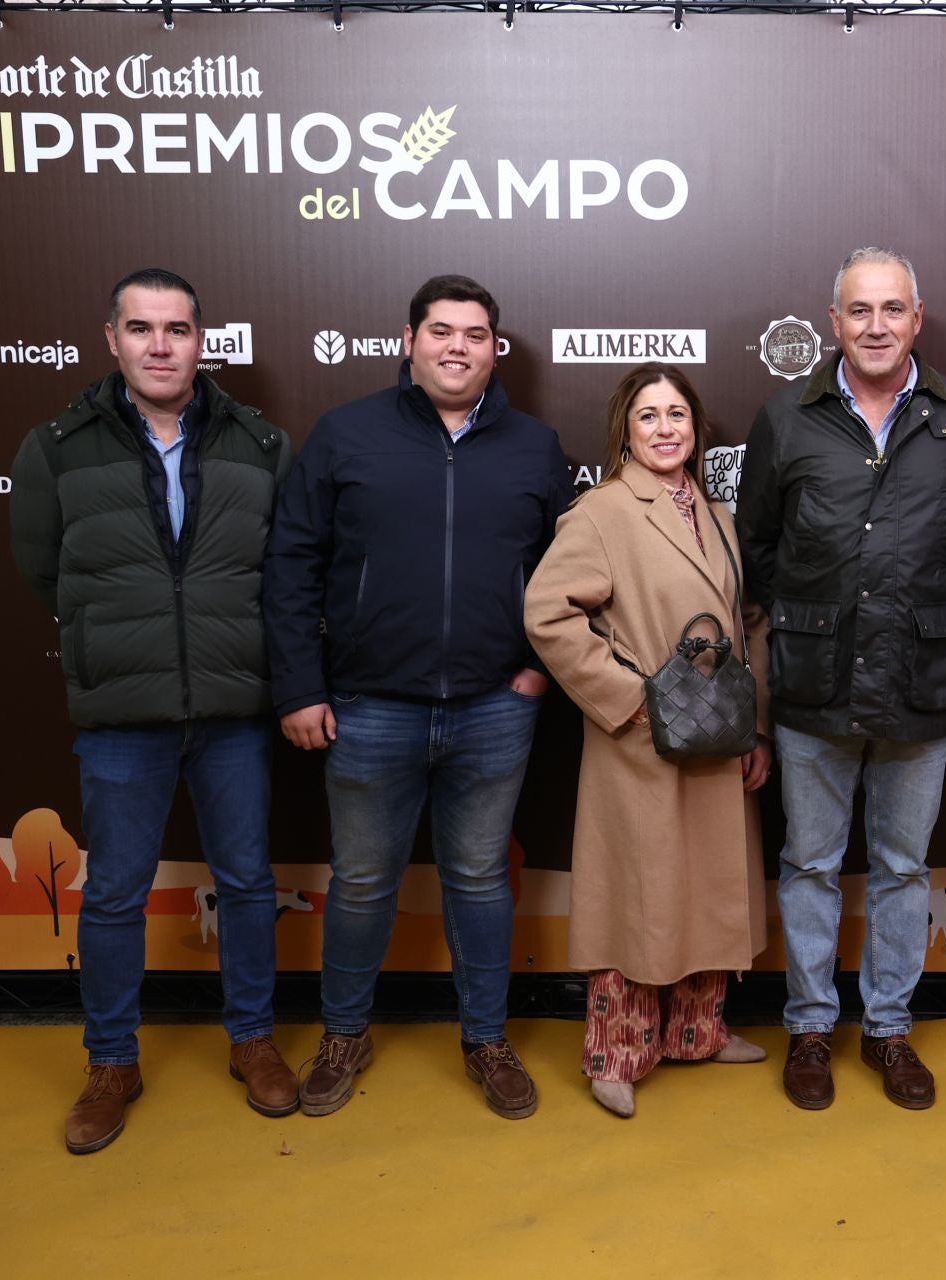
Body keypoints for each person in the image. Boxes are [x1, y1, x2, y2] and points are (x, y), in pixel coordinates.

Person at [264, 274, 572, 1120]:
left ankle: (486, 1039)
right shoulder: (345, 435)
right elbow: (291, 565)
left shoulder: (536, 446)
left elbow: (572, 573)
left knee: (479, 880)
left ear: (494, 348)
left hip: (494, 707)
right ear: (409, 340)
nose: (457, 347)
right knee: (362, 883)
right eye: (441, 331)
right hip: (367, 708)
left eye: (475, 334)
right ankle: (343, 1035)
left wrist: (539, 667)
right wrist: (299, 685)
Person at [9, 268, 297, 1153]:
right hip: (121, 713)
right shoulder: (56, 447)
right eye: (142, 329)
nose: (160, 345)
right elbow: (42, 571)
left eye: (176, 329)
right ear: (112, 340)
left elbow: (287, 573)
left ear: (202, 340)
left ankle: (251, 1040)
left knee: (247, 883)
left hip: (233, 707)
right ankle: (111, 1062)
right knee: (114, 896)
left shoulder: (259, 443)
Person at [735, 247, 946, 1111]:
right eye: (860, 311)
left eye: (893, 309)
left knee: (900, 866)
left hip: (923, 685)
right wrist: (810, 619)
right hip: (812, 685)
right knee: (808, 864)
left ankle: (888, 1031)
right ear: (834, 322)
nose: (877, 326)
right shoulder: (785, 417)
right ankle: (810, 1026)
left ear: (917, 319)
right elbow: (760, 549)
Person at [524, 363, 774, 1118]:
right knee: (636, 896)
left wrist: (754, 726)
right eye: (648, 416)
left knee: (706, 891)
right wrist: (631, 700)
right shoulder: (603, 510)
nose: (666, 429)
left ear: (696, 429)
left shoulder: (717, 514)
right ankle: (615, 1055)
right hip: (641, 740)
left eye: (677, 415)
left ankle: (699, 1032)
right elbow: (548, 613)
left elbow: (748, 623)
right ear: (623, 431)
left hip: (716, 737)